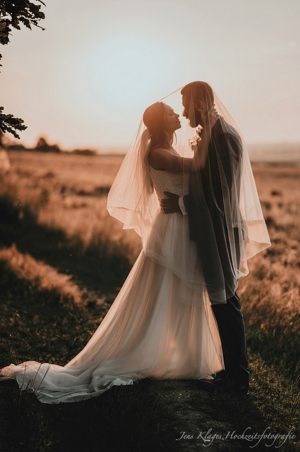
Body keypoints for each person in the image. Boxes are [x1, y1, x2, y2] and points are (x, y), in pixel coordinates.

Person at [0, 100, 225, 404]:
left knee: (180, 289)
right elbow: (197, 166)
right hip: (171, 229)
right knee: (165, 291)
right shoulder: (158, 153)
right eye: (171, 113)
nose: (177, 115)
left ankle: (183, 353)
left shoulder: (169, 150)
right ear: (160, 123)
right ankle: (155, 352)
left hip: (180, 226)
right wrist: (209, 129)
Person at [160, 81, 271, 394]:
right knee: (221, 301)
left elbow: (219, 194)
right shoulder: (211, 133)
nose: (182, 113)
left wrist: (180, 204)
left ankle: (238, 378)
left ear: (197, 103)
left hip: (221, 230)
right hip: (211, 230)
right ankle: (231, 373)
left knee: (226, 302)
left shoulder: (223, 136)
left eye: (184, 105)